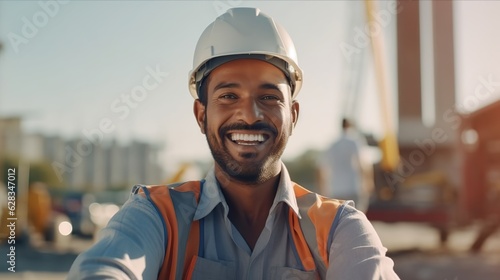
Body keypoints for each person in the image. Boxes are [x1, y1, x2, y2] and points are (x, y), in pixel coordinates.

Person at [68, 7, 399, 279]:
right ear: (201, 115)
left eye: (269, 97)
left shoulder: (339, 229)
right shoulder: (157, 216)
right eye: (228, 96)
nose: (250, 115)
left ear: (293, 116)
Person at [317, 118, 374, 213]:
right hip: (352, 187)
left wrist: (323, 189)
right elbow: (363, 164)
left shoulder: (332, 144)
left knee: (339, 222)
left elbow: (321, 168)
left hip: (336, 189)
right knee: (356, 219)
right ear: (350, 125)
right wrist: (369, 181)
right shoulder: (355, 141)